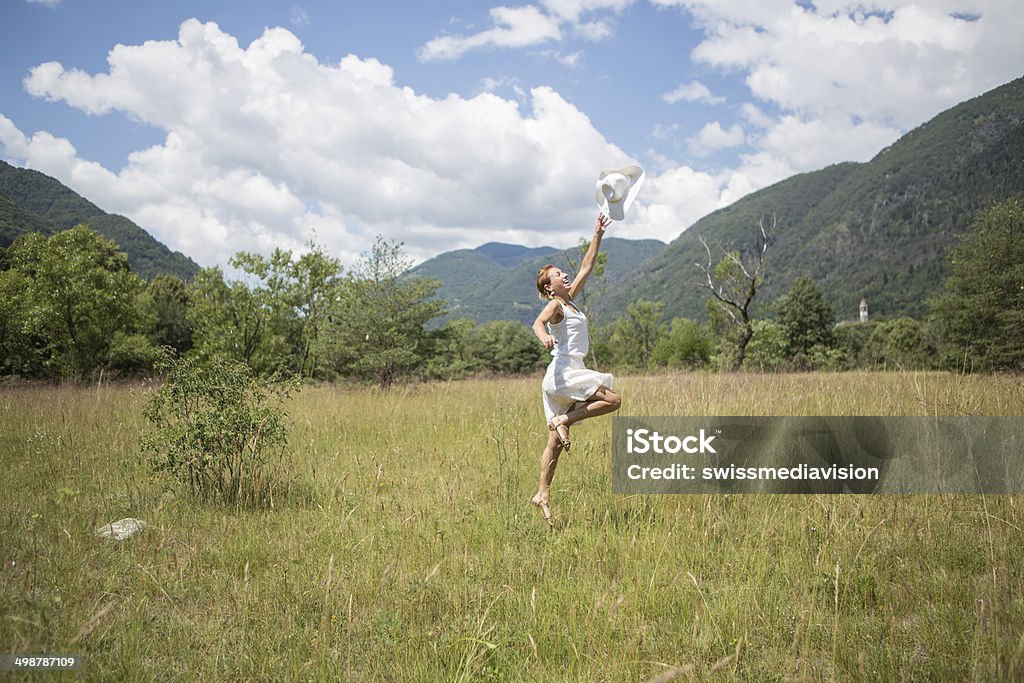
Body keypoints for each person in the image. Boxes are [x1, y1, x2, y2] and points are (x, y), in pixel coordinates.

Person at [529, 212, 622, 523]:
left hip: (562, 376)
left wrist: (597, 233)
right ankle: (564, 418)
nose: (564, 275)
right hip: (564, 372)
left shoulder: (571, 302)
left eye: (562, 272)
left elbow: (587, 266)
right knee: (613, 400)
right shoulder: (556, 305)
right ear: (549, 287)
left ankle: (542, 492)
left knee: (554, 443)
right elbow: (538, 323)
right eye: (558, 275)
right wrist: (544, 339)